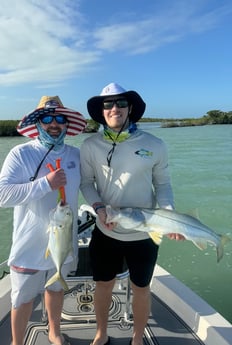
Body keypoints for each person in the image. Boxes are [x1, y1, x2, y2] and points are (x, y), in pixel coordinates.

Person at [80, 83, 184, 345]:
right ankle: (101, 334)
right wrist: (99, 207)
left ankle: (137, 338)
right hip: (106, 229)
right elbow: (85, 183)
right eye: (108, 104)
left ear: (131, 108)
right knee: (103, 285)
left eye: (121, 103)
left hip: (146, 231)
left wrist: (169, 214)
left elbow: (163, 185)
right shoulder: (90, 145)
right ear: (101, 111)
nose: (114, 108)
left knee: (142, 288)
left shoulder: (155, 144)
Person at [0, 96, 86, 345]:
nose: (54, 124)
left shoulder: (76, 155)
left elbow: (91, 186)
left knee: (56, 288)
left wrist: (104, 206)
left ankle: (54, 331)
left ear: (67, 124)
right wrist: (45, 183)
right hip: (30, 244)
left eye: (60, 118)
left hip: (63, 239)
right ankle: (17, 342)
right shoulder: (21, 154)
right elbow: (3, 195)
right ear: (37, 123)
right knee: (23, 298)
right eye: (47, 118)